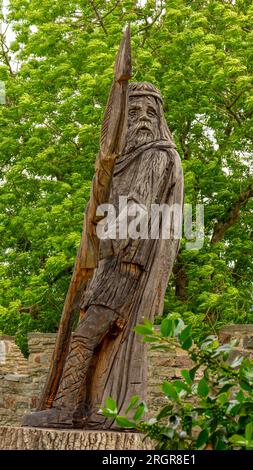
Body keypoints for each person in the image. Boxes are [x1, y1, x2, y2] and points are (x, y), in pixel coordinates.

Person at [23, 82, 184, 429]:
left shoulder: (156, 156)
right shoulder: (124, 161)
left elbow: (136, 212)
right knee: (91, 338)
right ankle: (89, 407)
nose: (142, 119)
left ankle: (66, 409)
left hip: (127, 264)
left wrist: (104, 224)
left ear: (160, 120)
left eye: (150, 113)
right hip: (111, 263)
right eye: (134, 112)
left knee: (85, 336)